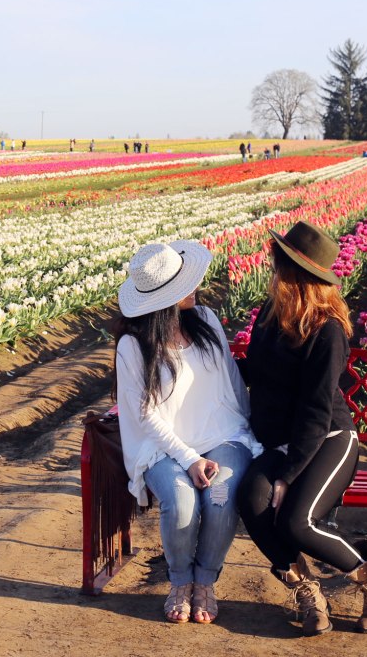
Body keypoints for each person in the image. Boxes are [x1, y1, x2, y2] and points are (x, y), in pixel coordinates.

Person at [236, 221, 367, 636]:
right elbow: (254, 370)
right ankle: (307, 589)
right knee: (251, 499)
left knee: (296, 522)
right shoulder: (270, 316)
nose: (272, 270)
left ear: (295, 275)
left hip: (328, 439)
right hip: (282, 440)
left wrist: (288, 475)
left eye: (279, 264)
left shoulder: (327, 330)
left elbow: (316, 408)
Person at [115, 241, 261, 625]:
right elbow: (145, 415)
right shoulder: (134, 346)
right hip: (163, 447)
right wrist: (190, 458)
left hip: (223, 435)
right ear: (166, 299)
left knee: (220, 496)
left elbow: (230, 380)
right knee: (181, 502)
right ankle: (180, 582)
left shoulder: (207, 320)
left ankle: (204, 582)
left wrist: (249, 433)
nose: (195, 287)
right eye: (185, 284)